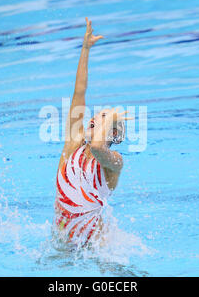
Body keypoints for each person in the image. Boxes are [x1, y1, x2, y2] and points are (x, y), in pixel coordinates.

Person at [54, 17, 132, 247]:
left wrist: (111, 121)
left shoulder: (113, 164)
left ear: (113, 134)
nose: (93, 118)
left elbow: (98, 147)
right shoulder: (72, 147)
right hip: (61, 243)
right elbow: (79, 92)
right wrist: (86, 48)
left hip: (98, 249)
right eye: (96, 116)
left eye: (103, 118)